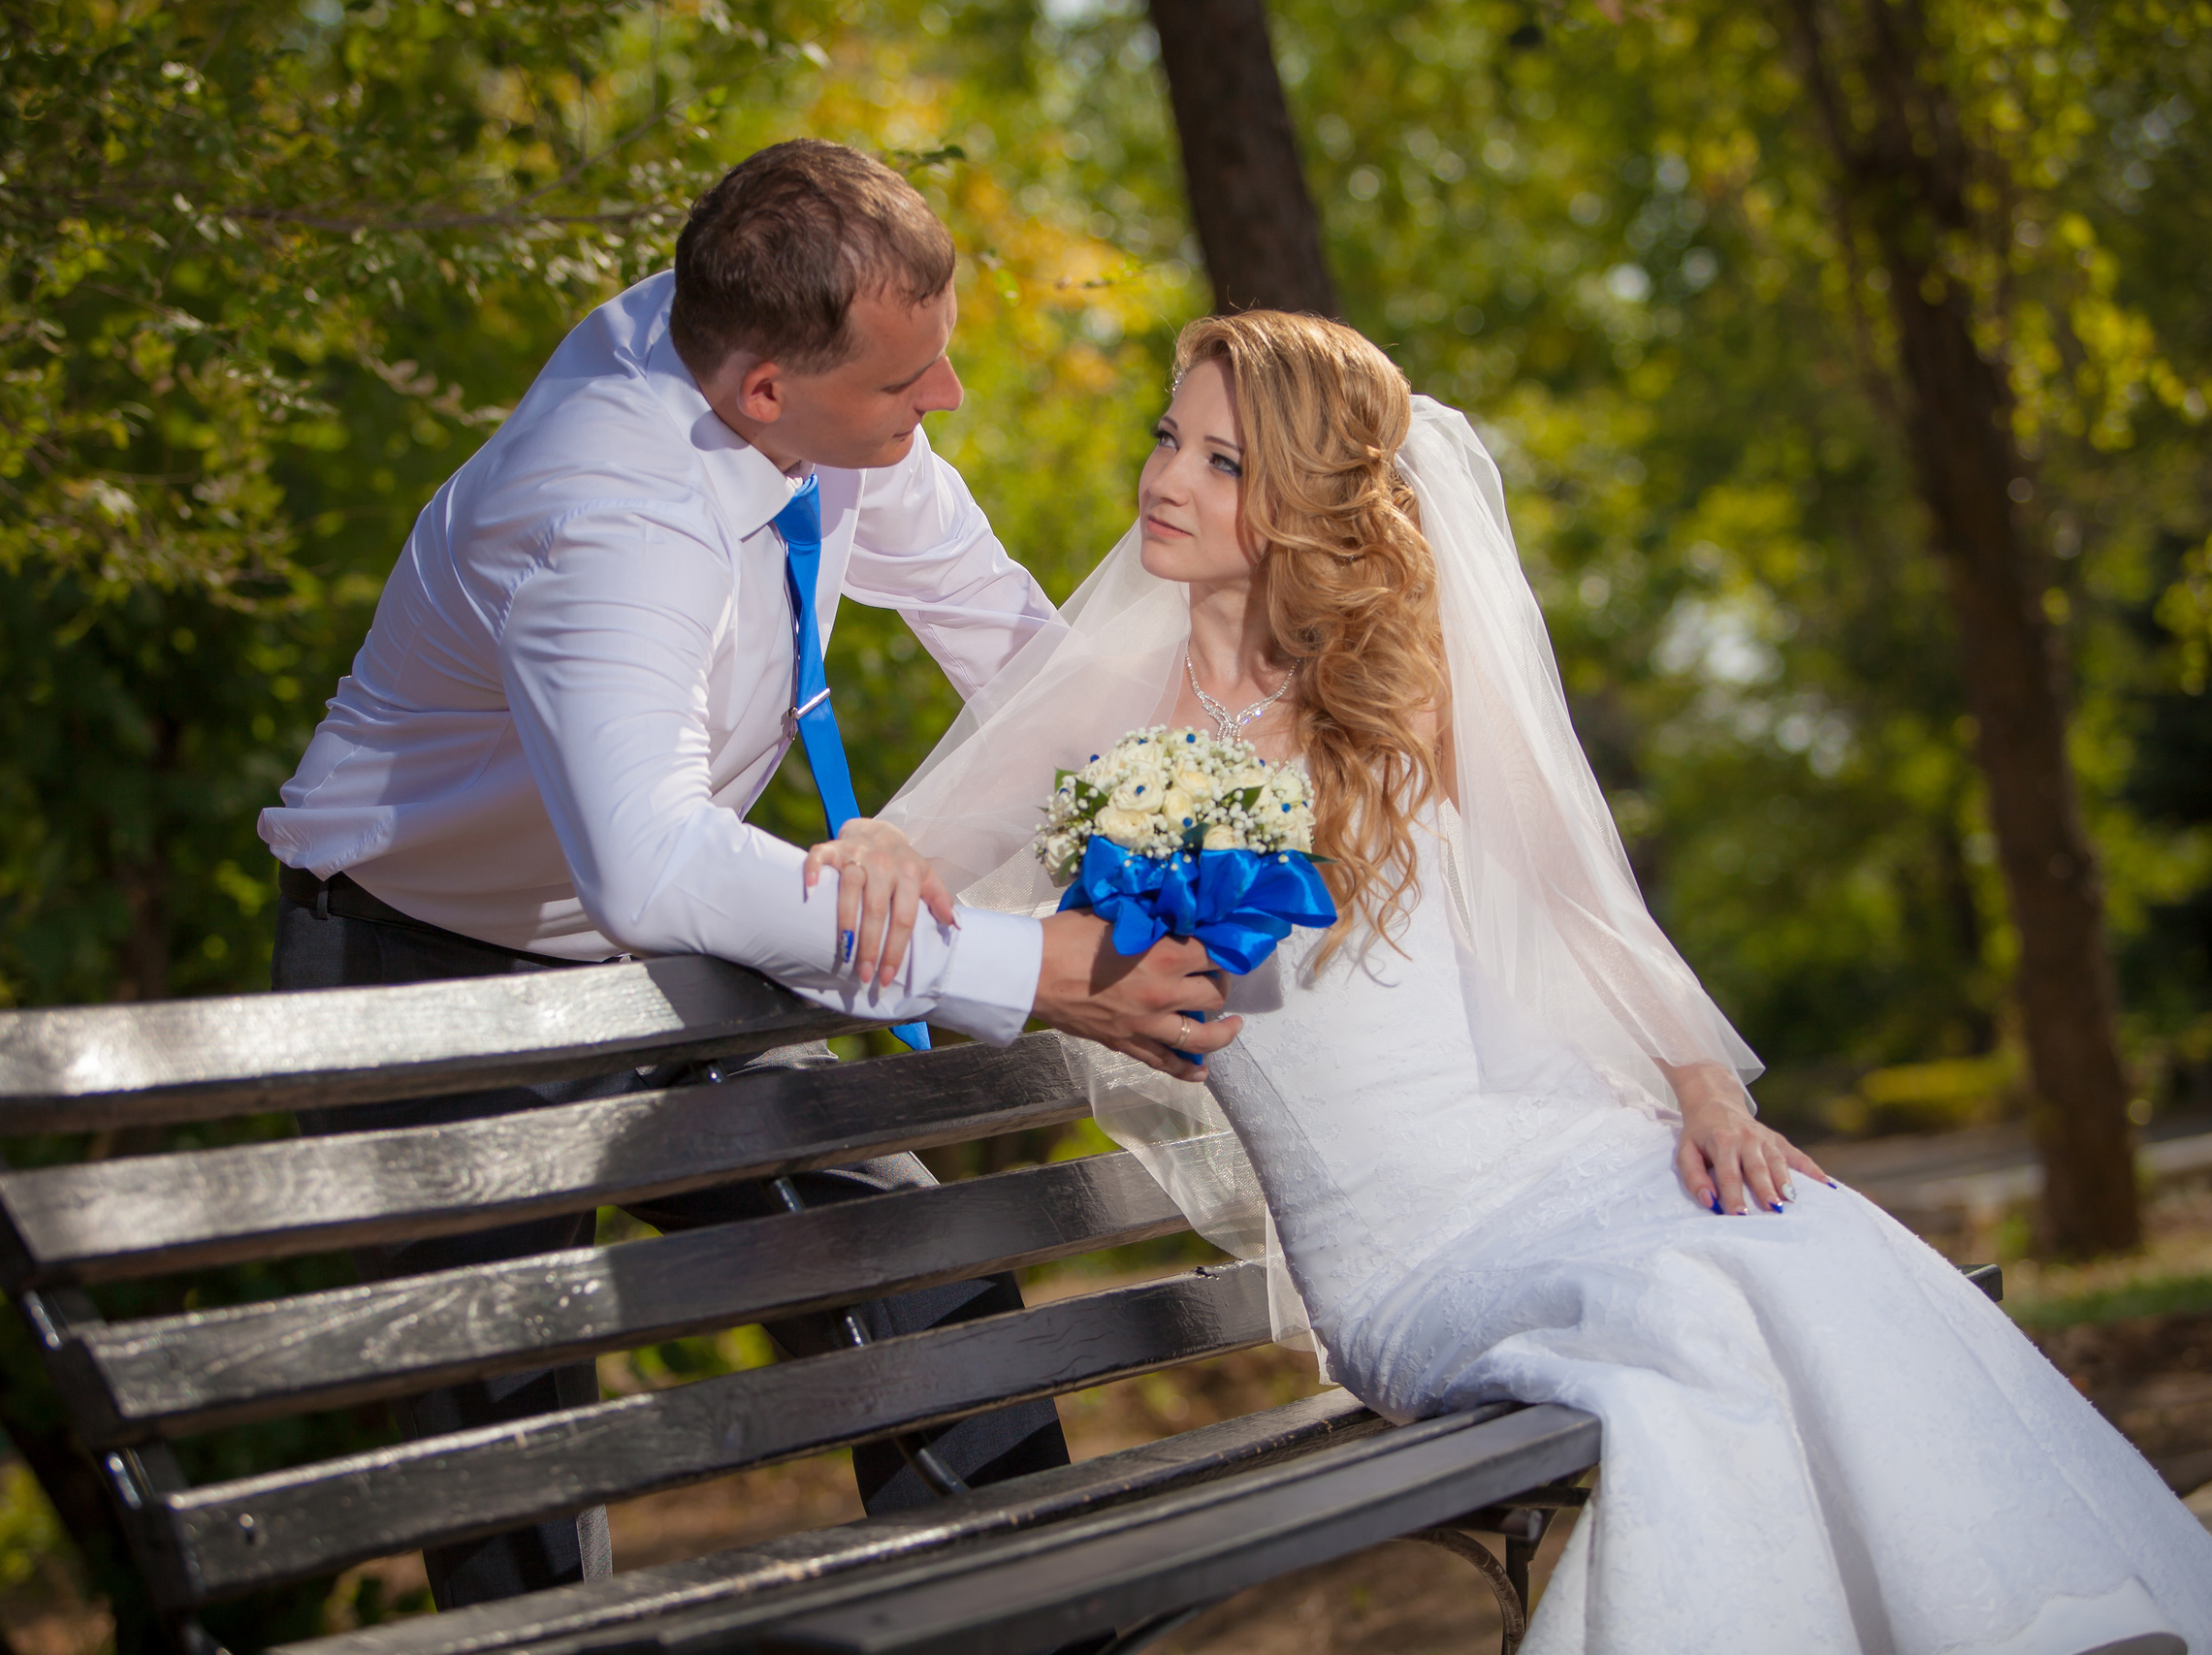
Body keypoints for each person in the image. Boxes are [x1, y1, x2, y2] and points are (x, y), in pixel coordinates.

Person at [871, 309, 2212, 1653]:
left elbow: (1581, 909)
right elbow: (896, 871)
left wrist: (1703, 1092)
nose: (1165, 480)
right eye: (1173, 438)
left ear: (1305, 502)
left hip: (1575, 1161)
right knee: (1699, 1313)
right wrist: (878, 848)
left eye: (1224, 462)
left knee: (1805, 1241)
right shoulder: (1099, 706)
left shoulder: (1395, 690)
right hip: (1415, 1257)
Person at [255, 139, 1234, 1610]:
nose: (944, 404)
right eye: (908, 388)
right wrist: (1035, 968)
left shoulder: (799, 370)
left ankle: (1036, 1626)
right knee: (518, 1443)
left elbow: (1007, 643)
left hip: (643, 962)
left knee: (908, 1236)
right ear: (764, 388)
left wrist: (1197, 857)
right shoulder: (606, 513)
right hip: (424, 972)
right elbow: (655, 864)